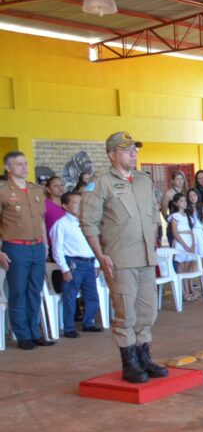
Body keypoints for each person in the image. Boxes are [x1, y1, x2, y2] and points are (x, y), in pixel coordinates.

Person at [80, 132, 167, 383]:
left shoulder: (143, 180)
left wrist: (153, 243)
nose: (134, 153)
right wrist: (101, 256)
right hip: (119, 258)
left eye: (135, 149)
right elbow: (89, 223)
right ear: (112, 154)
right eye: (127, 149)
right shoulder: (100, 183)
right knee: (125, 313)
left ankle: (144, 357)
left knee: (147, 312)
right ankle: (129, 362)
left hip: (145, 257)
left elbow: (153, 214)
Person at [0, 151, 53, 350]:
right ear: (8, 167)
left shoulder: (36, 190)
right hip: (15, 247)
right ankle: (22, 334)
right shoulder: (3, 191)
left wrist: (46, 244)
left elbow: (41, 221)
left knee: (34, 290)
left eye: (25, 163)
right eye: (19, 164)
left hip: (37, 246)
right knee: (18, 291)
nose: (24, 167)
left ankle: (34, 331)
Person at [49, 191, 102, 337]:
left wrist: (97, 262)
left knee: (92, 295)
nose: (80, 206)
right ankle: (69, 327)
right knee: (70, 296)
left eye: (81, 202)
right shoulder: (61, 224)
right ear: (65, 206)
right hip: (73, 264)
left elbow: (95, 244)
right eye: (75, 203)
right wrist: (64, 269)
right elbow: (57, 249)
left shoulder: (88, 223)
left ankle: (89, 322)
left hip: (89, 263)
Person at [166, 193, 200, 302]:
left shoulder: (188, 216)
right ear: (175, 203)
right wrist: (185, 245)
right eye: (181, 201)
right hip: (181, 242)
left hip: (189, 240)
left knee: (190, 266)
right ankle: (184, 292)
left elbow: (191, 231)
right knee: (182, 267)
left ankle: (190, 289)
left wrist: (193, 244)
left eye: (185, 201)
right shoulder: (174, 216)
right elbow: (175, 233)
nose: (184, 203)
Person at [160, 170, 188, 245]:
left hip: (186, 225)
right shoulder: (168, 193)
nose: (180, 181)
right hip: (174, 226)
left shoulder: (187, 192)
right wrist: (169, 221)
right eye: (177, 179)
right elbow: (164, 211)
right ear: (173, 181)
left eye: (182, 179)